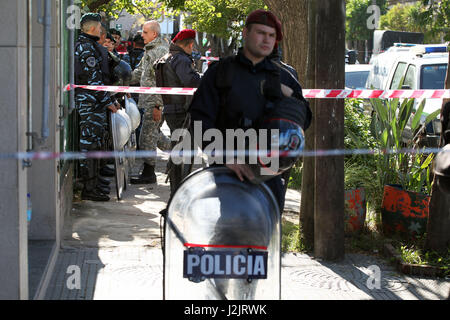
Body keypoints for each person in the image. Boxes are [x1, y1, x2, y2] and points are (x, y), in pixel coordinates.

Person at [189, 9, 311, 211]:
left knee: (265, 238)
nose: (266, 39)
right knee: (229, 235)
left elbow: (303, 122)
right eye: (261, 33)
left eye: (271, 35)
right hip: (227, 171)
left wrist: (289, 96)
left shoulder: (285, 78)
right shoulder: (220, 73)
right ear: (245, 33)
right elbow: (200, 120)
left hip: (269, 173)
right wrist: (225, 157)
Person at [74, 13, 120, 201]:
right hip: (89, 103)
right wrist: (107, 102)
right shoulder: (86, 48)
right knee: (90, 145)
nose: (102, 31)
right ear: (93, 28)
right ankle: (88, 188)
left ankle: (93, 183)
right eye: (100, 27)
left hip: (94, 102)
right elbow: (94, 81)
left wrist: (108, 99)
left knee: (96, 142)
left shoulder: (90, 45)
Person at [155, 29, 202, 194]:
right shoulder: (181, 59)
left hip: (171, 110)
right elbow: (191, 81)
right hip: (182, 112)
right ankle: (179, 189)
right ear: (189, 44)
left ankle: (177, 186)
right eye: (192, 46)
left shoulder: (165, 58)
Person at [129, 20, 172, 184]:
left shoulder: (160, 51)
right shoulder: (150, 50)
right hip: (148, 102)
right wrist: (120, 82)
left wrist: (157, 106)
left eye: (145, 32)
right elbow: (140, 72)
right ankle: (179, 151)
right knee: (153, 136)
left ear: (154, 34)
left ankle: (149, 173)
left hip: (154, 103)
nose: (142, 35)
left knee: (146, 138)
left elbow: (163, 81)